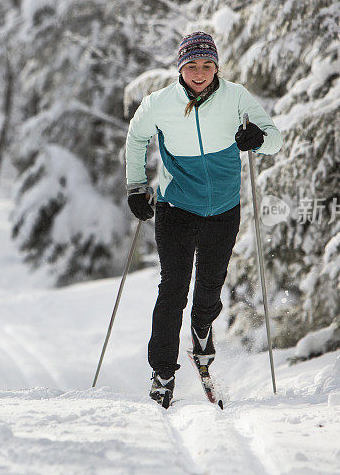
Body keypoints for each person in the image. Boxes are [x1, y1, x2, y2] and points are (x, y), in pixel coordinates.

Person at [124, 31, 282, 405]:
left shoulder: (236, 97)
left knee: (210, 289)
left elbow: (274, 140)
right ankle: (162, 373)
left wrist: (256, 139)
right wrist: (136, 187)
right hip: (176, 207)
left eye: (207, 65)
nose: (199, 72)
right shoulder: (159, 103)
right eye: (192, 66)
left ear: (217, 67)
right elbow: (136, 137)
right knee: (173, 288)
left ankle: (201, 329)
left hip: (223, 210)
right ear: (181, 68)